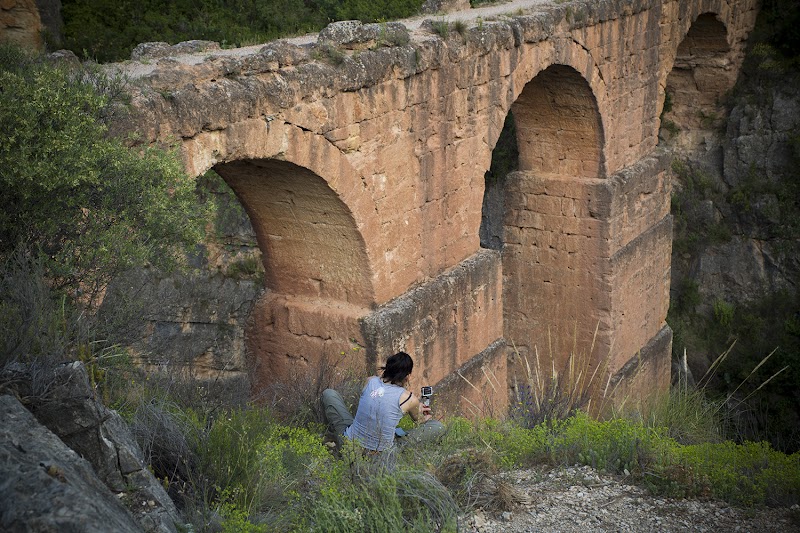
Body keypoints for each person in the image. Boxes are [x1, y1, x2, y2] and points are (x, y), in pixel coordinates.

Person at [321, 351, 445, 454]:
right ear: (407, 376)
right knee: (437, 427)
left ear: (387, 368)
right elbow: (419, 421)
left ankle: (329, 434)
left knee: (329, 394)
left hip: (349, 444)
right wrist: (426, 416)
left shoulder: (369, 381)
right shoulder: (409, 399)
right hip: (382, 454)